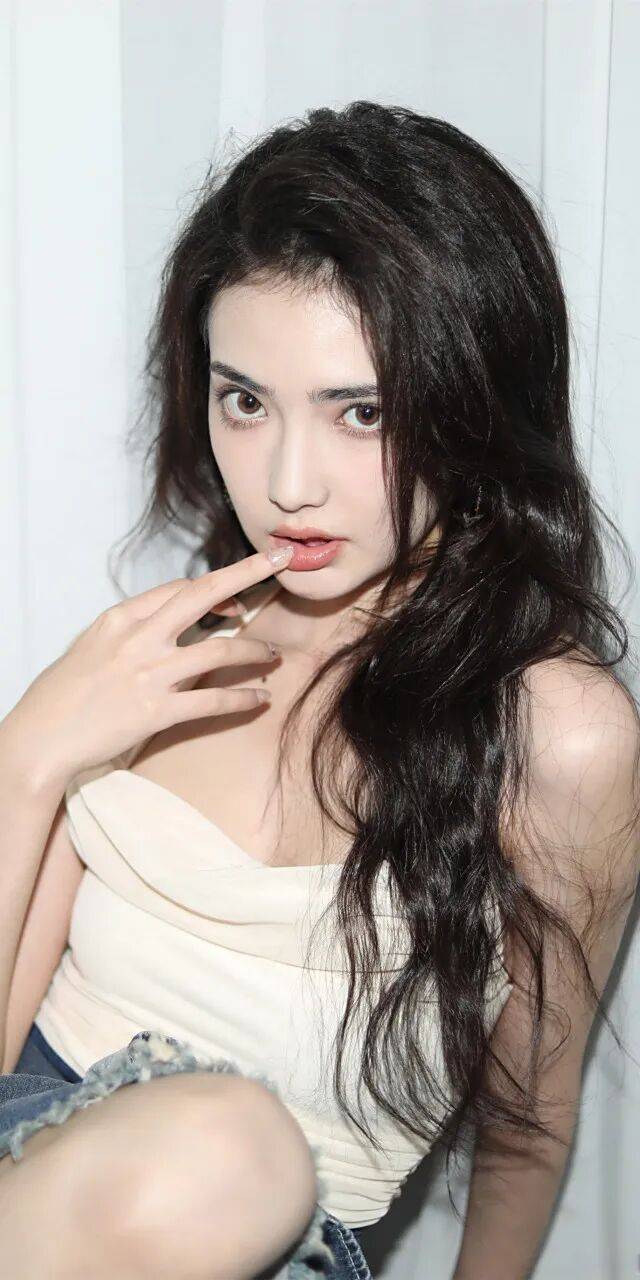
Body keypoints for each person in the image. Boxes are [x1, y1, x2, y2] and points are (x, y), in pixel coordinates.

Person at [0, 100, 639, 1280]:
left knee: (227, 1148)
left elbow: (528, 1119)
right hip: (26, 1179)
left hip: (271, 1233)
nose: (288, 480)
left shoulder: (557, 733)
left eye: (363, 411)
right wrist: (23, 761)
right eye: (244, 400)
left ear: (473, 403)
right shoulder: (167, 648)